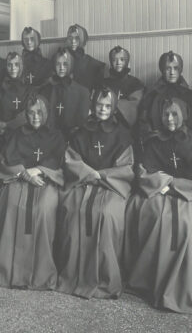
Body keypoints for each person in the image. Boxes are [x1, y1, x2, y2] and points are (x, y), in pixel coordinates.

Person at [124, 97, 192, 314]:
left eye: (175, 114)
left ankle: (184, 287)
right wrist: (163, 184)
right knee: (155, 218)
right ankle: (151, 283)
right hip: (157, 192)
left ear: (183, 115)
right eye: (166, 114)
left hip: (189, 196)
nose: (170, 119)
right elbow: (143, 173)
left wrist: (172, 183)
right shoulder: (153, 142)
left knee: (191, 225)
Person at [55, 88, 134, 299]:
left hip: (111, 186)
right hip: (83, 183)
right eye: (100, 105)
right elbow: (71, 160)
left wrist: (101, 176)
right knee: (73, 211)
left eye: (108, 106)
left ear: (115, 107)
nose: (103, 109)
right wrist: (89, 174)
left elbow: (126, 167)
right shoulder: (81, 131)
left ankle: (104, 279)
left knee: (107, 214)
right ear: (93, 104)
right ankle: (73, 275)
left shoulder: (122, 134)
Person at [0, 94, 65, 290]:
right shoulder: (17, 134)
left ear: (46, 113)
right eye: (31, 113)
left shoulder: (56, 136)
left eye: (39, 112)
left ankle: (39, 272)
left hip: (45, 181)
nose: (35, 117)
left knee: (42, 208)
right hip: (18, 179)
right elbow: (6, 159)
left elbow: (60, 162)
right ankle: (9, 270)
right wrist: (23, 173)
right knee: (12, 204)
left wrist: (39, 170)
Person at [138, 51, 192, 145]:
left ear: (180, 70)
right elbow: (144, 124)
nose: (172, 73)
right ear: (162, 70)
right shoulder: (151, 97)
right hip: (159, 145)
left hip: (185, 144)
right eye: (168, 68)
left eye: (175, 68)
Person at [38, 47, 91, 137]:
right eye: (58, 64)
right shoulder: (46, 90)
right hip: (50, 136)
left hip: (72, 137)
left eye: (65, 64)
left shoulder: (82, 92)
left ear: (70, 65)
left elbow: (81, 123)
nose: (61, 68)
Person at [0, 52, 31, 136]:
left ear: (21, 66)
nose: (13, 68)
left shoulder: (28, 89)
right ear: (6, 67)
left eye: (16, 64)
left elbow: (26, 117)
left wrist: (7, 125)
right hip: (1, 134)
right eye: (10, 65)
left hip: (22, 133)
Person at [102, 45, 145, 129]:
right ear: (111, 62)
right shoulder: (104, 83)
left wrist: (113, 105)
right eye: (115, 60)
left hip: (127, 126)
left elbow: (133, 105)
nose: (118, 63)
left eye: (122, 60)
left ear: (127, 62)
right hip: (106, 123)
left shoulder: (135, 83)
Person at [65, 24, 105, 89]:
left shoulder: (93, 64)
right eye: (70, 38)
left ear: (82, 40)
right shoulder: (61, 59)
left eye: (77, 38)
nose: (73, 41)